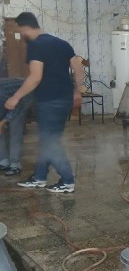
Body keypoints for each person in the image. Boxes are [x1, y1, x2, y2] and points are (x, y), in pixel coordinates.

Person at [9, 12, 83, 193]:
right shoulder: (62, 43)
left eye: (20, 31)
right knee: (48, 140)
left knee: (50, 142)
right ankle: (39, 177)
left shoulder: (35, 45)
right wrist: (77, 91)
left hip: (49, 101)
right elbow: (78, 68)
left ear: (25, 27)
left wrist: (16, 97)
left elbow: (35, 77)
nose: (21, 35)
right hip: (64, 99)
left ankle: (67, 181)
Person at [0, 78, 34, 176]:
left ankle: (15, 165)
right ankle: (3, 161)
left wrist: (4, 121)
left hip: (24, 95)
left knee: (15, 129)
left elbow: (16, 108)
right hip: (7, 98)